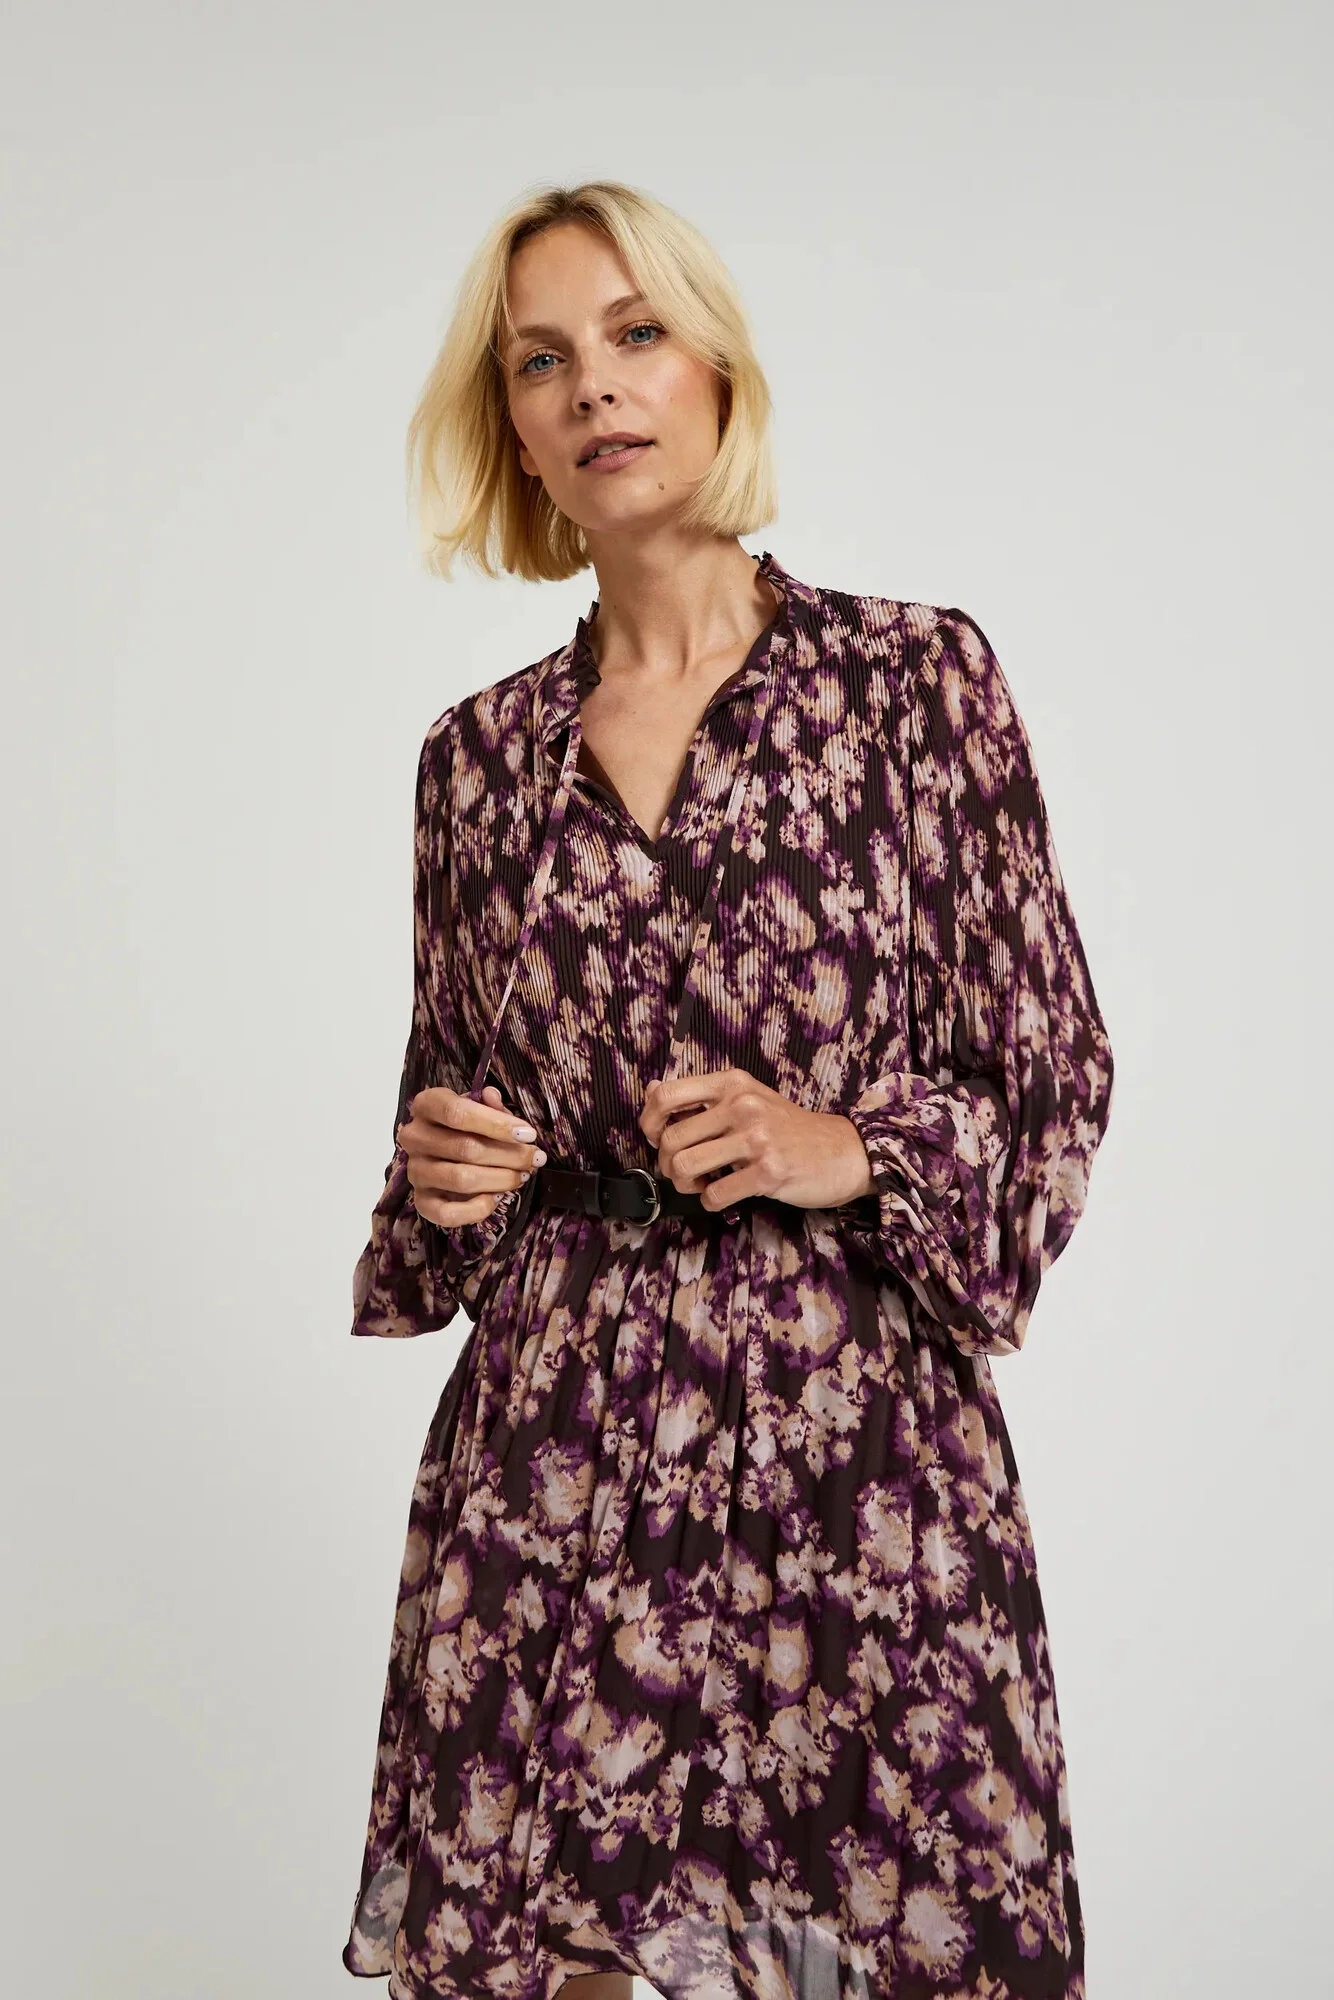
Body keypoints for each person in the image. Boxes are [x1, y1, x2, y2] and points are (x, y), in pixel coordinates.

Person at [342, 180, 1114, 2000]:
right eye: (542, 360)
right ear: (514, 427)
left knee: (886, 1944)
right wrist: (441, 1170)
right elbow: (444, 1133)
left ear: (716, 373)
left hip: (848, 1443)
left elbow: (1048, 1067)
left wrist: (845, 1145)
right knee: (561, 1960)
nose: (595, 386)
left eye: (636, 334)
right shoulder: (475, 766)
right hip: (556, 1447)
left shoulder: (914, 683)